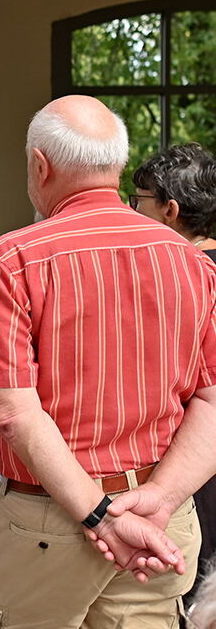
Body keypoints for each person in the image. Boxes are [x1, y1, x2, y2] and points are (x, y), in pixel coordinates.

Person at [0, 95, 216, 628]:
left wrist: (101, 517)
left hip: (46, 526)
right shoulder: (191, 261)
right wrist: (158, 503)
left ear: (39, 165)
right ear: (117, 165)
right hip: (158, 519)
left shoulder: (12, 259)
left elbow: (14, 414)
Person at [129, 142, 216, 594]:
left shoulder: (183, 275)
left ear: (170, 210)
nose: (130, 209)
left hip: (192, 452)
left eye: (138, 199)